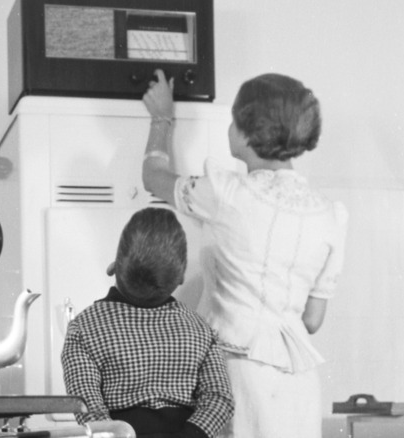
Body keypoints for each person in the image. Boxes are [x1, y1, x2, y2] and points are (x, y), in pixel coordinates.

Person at [140, 70, 348, 438]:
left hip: (236, 373)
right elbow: (313, 319)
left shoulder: (225, 193)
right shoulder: (331, 215)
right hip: (298, 382)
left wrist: (162, 118)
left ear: (248, 131)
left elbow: (153, 176)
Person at [61, 207, 234, 438]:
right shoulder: (198, 328)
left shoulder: (84, 328)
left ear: (115, 266)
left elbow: (86, 405)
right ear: (180, 277)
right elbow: (219, 398)